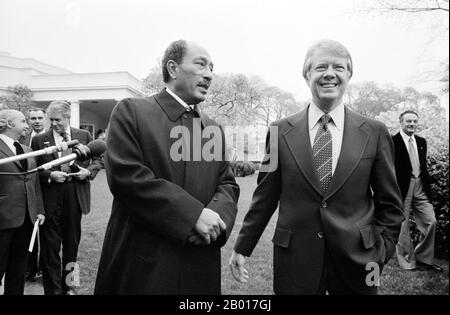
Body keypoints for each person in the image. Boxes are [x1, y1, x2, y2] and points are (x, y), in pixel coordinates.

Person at [229, 39, 404, 295]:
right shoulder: (279, 131)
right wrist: (243, 246)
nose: (330, 74)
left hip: (362, 261)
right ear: (307, 74)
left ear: (349, 75)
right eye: (321, 67)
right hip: (295, 261)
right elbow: (265, 197)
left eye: (339, 67)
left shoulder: (375, 132)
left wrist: (381, 251)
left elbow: (391, 205)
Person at [94, 40, 239, 295]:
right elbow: (126, 177)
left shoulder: (213, 128)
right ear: (173, 68)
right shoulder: (132, 111)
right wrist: (192, 216)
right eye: (201, 64)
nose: (209, 75)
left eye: (212, 68)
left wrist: (215, 221)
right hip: (142, 265)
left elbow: (227, 184)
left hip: (199, 262)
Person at [31, 101, 103, 295]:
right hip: (50, 199)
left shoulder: (84, 135)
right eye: (51, 119)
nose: (53, 124)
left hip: (75, 196)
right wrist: (50, 175)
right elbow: (34, 171)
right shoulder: (39, 140)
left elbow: (98, 160)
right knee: (50, 249)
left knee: (72, 246)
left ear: (68, 117)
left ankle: (69, 286)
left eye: (58, 120)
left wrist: (87, 172)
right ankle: (53, 291)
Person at [0, 109, 45, 295]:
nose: (28, 125)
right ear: (10, 123)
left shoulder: (27, 150)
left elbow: (33, 182)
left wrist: (39, 210)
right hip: (3, 218)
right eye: (23, 121)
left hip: (27, 219)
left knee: (18, 271)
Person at [393, 110, 443, 272]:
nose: (412, 124)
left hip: (420, 185)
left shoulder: (421, 141)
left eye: (414, 121)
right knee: (403, 223)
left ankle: (423, 257)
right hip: (402, 188)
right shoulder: (392, 141)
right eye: (408, 121)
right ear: (401, 122)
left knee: (431, 221)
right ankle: (406, 260)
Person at [20, 107, 47, 282]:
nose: (36, 121)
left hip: (56, 195)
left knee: (59, 240)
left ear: (45, 119)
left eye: (39, 118)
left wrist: (88, 171)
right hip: (30, 194)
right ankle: (30, 270)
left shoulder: (70, 136)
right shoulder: (21, 139)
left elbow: (97, 158)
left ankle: (69, 280)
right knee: (29, 234)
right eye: (32, 118)